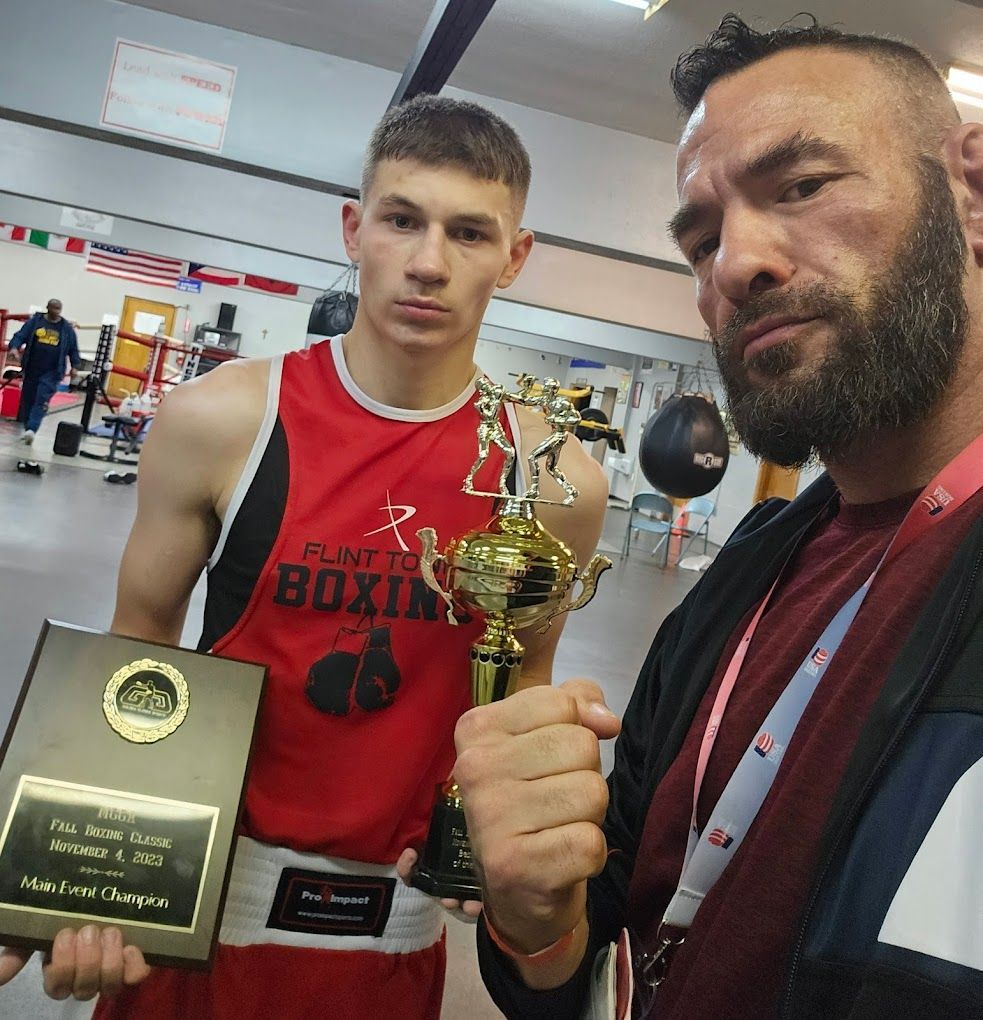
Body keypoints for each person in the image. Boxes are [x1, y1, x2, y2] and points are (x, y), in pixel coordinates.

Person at [0, 97, 607, 1016]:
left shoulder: (552, 479)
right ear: (354, 229)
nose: (428, 262)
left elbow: (520, 684)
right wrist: (81, 873)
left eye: (468, 233)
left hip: (391, 945)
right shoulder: (223, 420)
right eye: (401, 220)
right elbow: (138, 649)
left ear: (513, 256)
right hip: (196, 925)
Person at [457, 15, 983, 1019]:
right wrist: (536, 925)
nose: (734, 265)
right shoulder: (744, 578)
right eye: (701, 241)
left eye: (803, 185)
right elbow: (611, 925)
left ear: (971, 193)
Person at [7, 298, 81, 444]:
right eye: (54, 308)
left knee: (42, 398)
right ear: (47, 308)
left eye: (59, 309)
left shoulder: (66, 329)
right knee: (28, 399)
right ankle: (28, 426)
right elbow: (20, 335)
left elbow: (73, 348)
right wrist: (14, 348)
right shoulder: (35, 322)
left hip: (53, 371)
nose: (56, 312)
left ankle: (32, 429)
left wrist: (75, 366)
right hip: (32, 368)